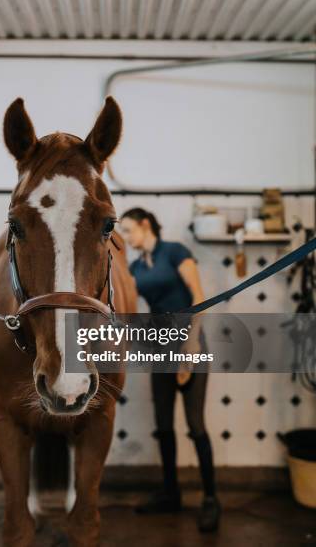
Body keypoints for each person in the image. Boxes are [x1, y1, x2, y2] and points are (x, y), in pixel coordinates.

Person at [120, 207, 221, 532]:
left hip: (190, 344)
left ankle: (210, 499)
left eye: (129, 230)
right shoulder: (135, 267)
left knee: (195, 425)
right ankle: (171, 493)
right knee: (163, 426)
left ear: (146, 225)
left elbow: (199, 297)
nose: (127, 238)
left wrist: (191, 345)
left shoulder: (175, 252)